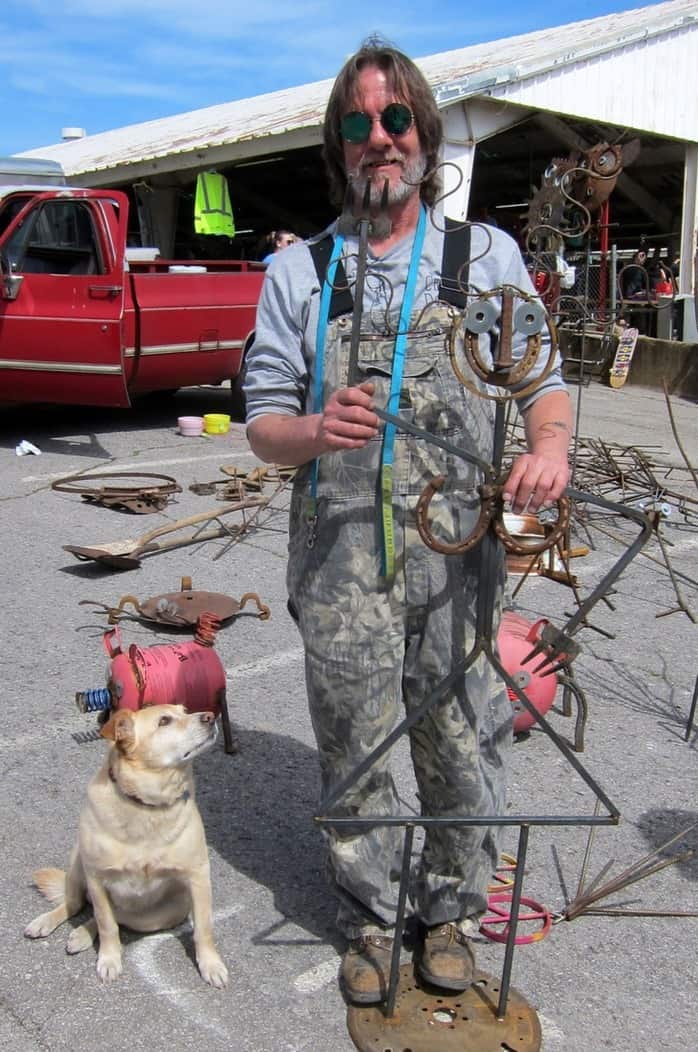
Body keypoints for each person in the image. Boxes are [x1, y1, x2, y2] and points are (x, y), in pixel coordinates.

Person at [243, 38, 571, 1005]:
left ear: (424, 135)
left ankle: (452, 911)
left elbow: (546, 386)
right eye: (357, 125)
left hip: (461, 560)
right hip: (341, 566)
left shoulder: (485, 256)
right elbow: (262, 423)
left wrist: (548, 448)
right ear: (339, 147)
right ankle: (373, 917)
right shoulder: (301, 272)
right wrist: (310, 428)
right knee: (354, 741)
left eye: (394, 120)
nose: (378, 140)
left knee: (464, 735)